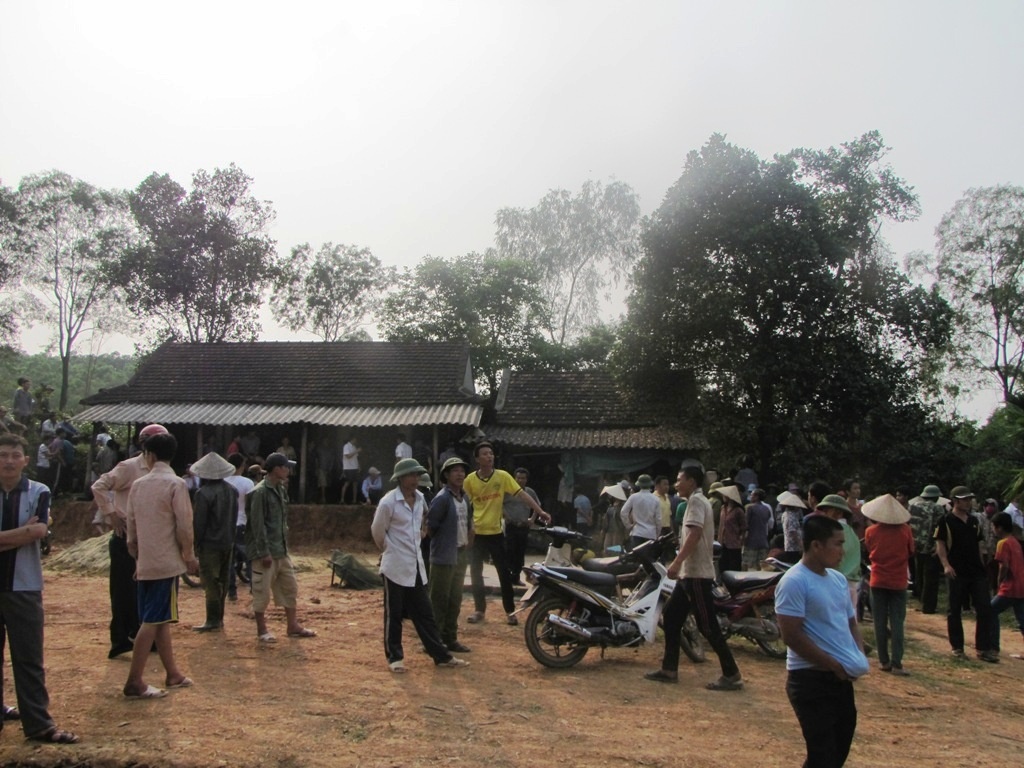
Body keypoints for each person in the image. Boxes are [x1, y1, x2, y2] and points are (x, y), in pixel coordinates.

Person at [0, 433, 79, 743]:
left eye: (14, 455)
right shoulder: (36, 495)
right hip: (20, 584)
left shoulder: (39, 490)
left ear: (26, 460)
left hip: (24, 586)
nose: (8, 460)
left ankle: (39, 725)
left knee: (28, 657)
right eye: (3, 454)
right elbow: (31, 531)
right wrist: (23, 532)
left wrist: (30, 532)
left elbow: (40, 531)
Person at [776, 514, 870, 768]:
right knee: (823, 756)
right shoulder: (795, 582)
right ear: (816, 545)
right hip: (810, 681)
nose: (843, 550)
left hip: (839, 681)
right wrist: (832, 664)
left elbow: (850, 623)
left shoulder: (838, 580)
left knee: (836, 754)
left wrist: (857, 656)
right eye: (837, 543)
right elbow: (791, 635)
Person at [645, 465, 743, 691]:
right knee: (670, 617)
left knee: (707, 626)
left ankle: (731, 673)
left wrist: (677, 562)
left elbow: (695, 534)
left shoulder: (697, 502)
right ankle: (669, 669)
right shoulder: (694, 502)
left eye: (679, 480)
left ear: (691, 481)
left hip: (697, 575)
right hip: (689, 575)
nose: (676, 484)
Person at [371, 457, 469, 672]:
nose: (415, 479)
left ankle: (440, 655)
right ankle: (395, 658)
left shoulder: (421, 499)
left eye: (417, 475)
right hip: (395, 565)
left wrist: (419, 536)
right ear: (400, 479)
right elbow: (377, 532)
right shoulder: (389, 502)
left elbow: (425, 520)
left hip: (415, 566)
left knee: (425, 613)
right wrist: (390, 548)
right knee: (394, 614)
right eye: (411, 475)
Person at [123, 432, 199, 699]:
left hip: (146, 560)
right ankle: (135, 681)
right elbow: (184, 525)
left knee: (160, 619)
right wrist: (189, 556)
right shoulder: (176, 484)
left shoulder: (138, 485)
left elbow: (130, 526)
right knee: (153, 620)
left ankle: (173, 673)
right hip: (166, 562)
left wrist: (135, 554)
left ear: (149, 455)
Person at [92, 423, 169, 659]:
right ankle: (120, 641)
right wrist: (111, 514)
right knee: (124, 591)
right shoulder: (129, 467)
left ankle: (143, 636)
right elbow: (99, 486)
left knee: (145, 589)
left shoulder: (163, 469)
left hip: (149, 538)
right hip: (125, 537)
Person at [464, 441, 551, 625]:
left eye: (491, 453)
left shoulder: (502, 477)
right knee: (475, 573)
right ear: (478, 459)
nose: (490, 456)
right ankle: (479, 610)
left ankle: (510, 611)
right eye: (485, 454)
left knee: (504, 573)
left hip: (496, 533)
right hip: (477, 534)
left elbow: (522, 494)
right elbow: (463, 505)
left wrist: (540, 512)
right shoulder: (470, 480)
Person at [246, 453, 315, 643]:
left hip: (281, 550)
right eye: (285, 467)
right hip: (266, 553)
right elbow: (257, 526)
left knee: (289, 588)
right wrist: (264, 552)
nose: (288, 471)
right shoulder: (260, 493)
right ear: (277, 469)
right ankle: (262, 630)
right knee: (262, 592)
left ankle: (292, 625)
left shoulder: (280, 490)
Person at [934, 486, 997, 662]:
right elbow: (940, 544)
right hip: (956, 570)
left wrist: (984, 565)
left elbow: (979, 544)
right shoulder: (945, 520)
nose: (969, 502)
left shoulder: (974, 521)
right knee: (954, 610)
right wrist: (946, 565)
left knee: (984, 608)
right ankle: (957, 648)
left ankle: (983, 648)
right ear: (955, 500)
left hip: (976, 570)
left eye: (970, 499)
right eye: (965, 499)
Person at [862, 494, 915, 675]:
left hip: (877, 579)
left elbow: (869, 549)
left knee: (879, 622)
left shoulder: (871, 532)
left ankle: (884, 661)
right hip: (899, 581)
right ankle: (897, 662)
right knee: (897, 622)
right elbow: (911, 551)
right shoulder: (906, 530)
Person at [426, 456, 474, 653]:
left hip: (460, 553)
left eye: (462, 470)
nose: (460, 474)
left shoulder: (464, 498)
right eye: (455, 470)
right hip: (443, 556)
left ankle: (450, 638)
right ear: (446, 475)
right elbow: (431, 528)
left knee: (454, 599)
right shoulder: (442, 499)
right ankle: (433, 642)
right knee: (438, 600)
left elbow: (469, 523)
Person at [189, 452, 238, 632]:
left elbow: (199, 523)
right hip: (227, 541)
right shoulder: (232, 491)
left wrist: (196, 544)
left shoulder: (203, 494)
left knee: (210, 581)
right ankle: (219, 617)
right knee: (223, 581)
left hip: (210, 544)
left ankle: (212, 619)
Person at [989, 512, 1024, 658]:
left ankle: (993, 647)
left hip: (1010, 586)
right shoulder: (1015, 541)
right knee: (1022, 619)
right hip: (1021, 585)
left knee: (990, 611)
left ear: (999, 528)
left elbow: (1004, 566)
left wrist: (999, 583)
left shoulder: (1002, 543)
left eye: (993, 526)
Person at [908, 484, 945, 612]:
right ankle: (929, 606)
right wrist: (937, 545)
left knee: (918, 575)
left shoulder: (913, 507)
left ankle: (920, 600)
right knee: (931, 577)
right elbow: (939, 528)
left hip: (916, 546)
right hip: (931, 547)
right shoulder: (938, 509)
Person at [224, 452, 255, 601]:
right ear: (242, 465)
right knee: (249, 558)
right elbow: (251, 505)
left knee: (229, 560)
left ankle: (231, 592)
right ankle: (254, 589)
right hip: (243, 524)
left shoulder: (223, 481)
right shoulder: (247, 483)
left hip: (226, 525)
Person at [503, 467, 539, 585]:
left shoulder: (530, 492)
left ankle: (516, 577)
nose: (520, 480)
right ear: (514, 478)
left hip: (523, 527)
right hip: (511, 526)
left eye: (522, 478)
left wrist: (532, 520)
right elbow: (499, 504)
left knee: (520, 552)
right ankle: (507, 578)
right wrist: (506, 516)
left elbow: (537, 506)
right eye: (518, 478)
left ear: (526, 480)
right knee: (509, 551)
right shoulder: (508, 491)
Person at [622, 474, 661, 549]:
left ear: (639, 485)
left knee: (636, 558)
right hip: (651, 534)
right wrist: (657, 534)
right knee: (648, 559)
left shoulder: (633, 497)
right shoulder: (656, 499)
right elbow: (658, 519)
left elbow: (623, 512)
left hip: (637, 533)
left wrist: (628, 525)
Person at [716, 484, 746, 573]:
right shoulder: (723, 508)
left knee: (734, 565)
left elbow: (744, 527)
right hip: (722, 542)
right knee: (722, 564)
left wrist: (741, 540)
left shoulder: (738, 511)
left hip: (734, 543)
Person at [744, 488, 773, 570]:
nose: (750, 497)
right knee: (761, 566)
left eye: (752, 495)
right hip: (763, 540)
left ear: (756, 497)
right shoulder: (766, 509)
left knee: (750, 565)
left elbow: (746, 524)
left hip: (751, 540)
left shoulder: (750, 508)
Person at [341, 436, 361, 504]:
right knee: (347, 483)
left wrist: (359, 466)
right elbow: (348, 456)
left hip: (355, 467)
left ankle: (354, 500)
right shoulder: (346, 446)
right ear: (353, 439)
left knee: (355, 484)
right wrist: (356, 451)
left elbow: (356, 458)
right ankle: (342, 499)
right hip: (348, 467)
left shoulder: (354, 447)